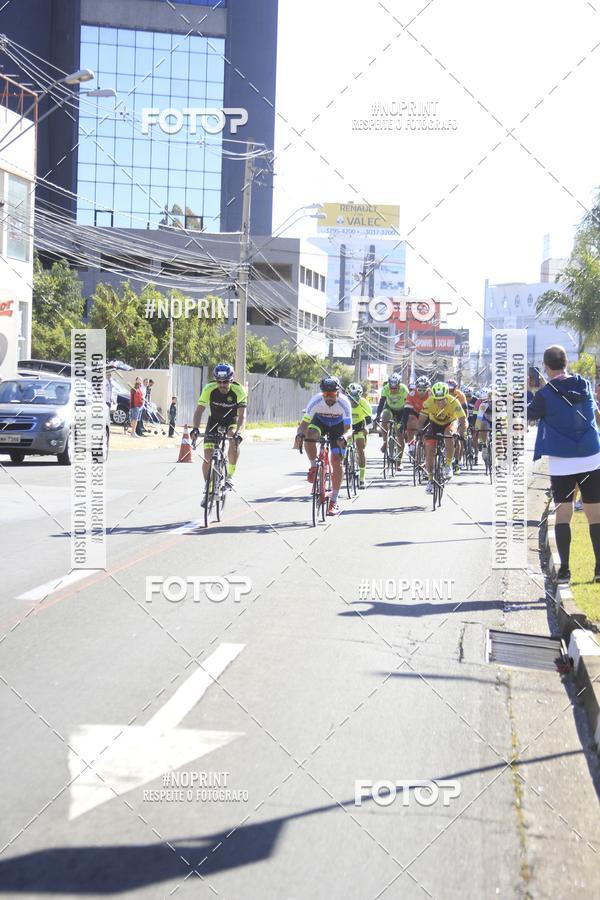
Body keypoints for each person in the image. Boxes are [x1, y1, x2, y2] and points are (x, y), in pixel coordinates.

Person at [527, 345, 600, 584]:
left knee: (563, 514)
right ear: (566, 363)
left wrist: (530, 390)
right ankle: (599, 570)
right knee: (595, 515)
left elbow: (528, 415)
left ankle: (565, 571)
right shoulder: (585, 385)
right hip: (591, 456)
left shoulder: (545, 395)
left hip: (562, 462)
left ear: (547, 367)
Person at [294, 375, 352, 516]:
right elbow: (304, 424)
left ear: (338, 393)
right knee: (310, 434)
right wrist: (300, 434)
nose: (329, 397)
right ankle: (314, 466)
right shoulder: (316, 400)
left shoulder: (344, 403)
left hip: (338, 428)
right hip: (320, 422)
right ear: (322, 393)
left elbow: (349, 428)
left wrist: (344, 437)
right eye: (326, 394)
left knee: (337, 461)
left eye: (332, 394)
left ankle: (334, 500)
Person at [191, 362, 247, 498]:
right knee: (208, 459)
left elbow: (242, 416)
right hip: (214, 421)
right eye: (219, 382)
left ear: (231, 380)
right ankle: (209, 488)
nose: (222, 385)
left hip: (232, 421)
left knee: (232, 437)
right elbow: (199, 411)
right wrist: (196, 429)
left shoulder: (239, 391)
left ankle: (230, 476)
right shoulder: (209, 388)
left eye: (225, 382)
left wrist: (239, 432)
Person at [417, 381, 467, 492]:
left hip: (450, 422)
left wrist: (462, 433)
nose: (440, 402)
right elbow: (421, 421)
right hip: (434, 424)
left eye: (442, 399)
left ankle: (448, 464)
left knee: (449, 435)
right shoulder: (428, 403)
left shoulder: (454, 402)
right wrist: (419, 430)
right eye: (437, 400)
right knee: (429, 451)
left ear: (447, 396)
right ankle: (430, 480)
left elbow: (462, 420)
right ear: (433, 398)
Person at [375, 372, 409, 463]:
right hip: (389, 408)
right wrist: (378, 415)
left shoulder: (404, 389)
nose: (393, 390)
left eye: (395, 388)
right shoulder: (385, 388)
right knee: (384, 418)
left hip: (401, 411)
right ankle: (385, 441)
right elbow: (381, 403)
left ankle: (399, 460)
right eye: (391, 388)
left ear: (399, 385)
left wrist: (403, 422)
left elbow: (407, 406)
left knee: (399, 435)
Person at [346, 382, 372, 489]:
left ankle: (362, 479)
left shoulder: (364, 404)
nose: (352, 400)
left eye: (355, 397)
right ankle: (347, 463)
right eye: (350, 398)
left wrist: (367, 429)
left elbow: (369, 421)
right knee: (343, 447)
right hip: (348, 427)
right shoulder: (344, 403)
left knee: (361, 449)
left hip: (360, 427)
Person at [403, 375, 431, 451]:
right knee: (410, 419)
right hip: (416, 413)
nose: (421, 392)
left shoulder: (431, 395)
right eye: (419, 389)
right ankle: (411, 443)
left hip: (428, 414)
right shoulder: (411, 394)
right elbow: (406, 411)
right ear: (416, 388)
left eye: (424, 390)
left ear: (428, 389)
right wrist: (404, 426)